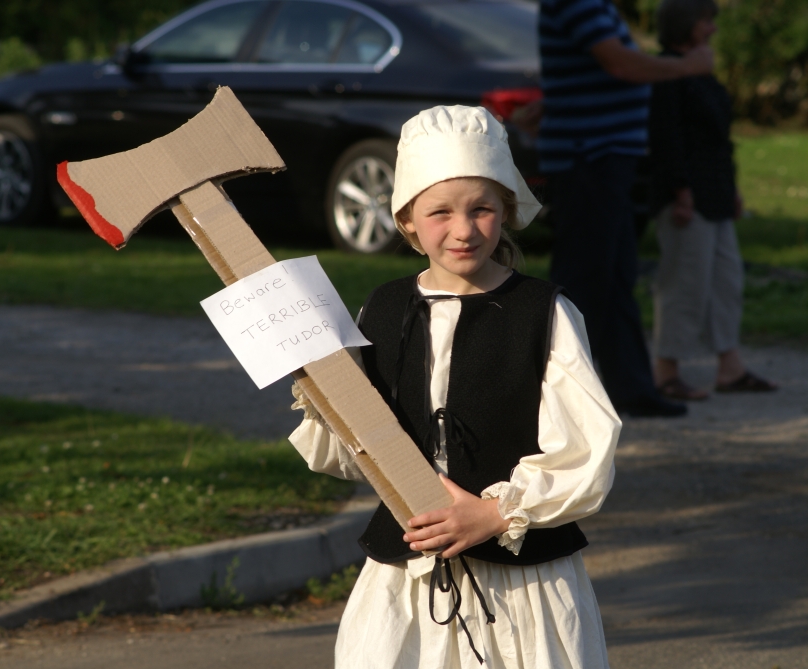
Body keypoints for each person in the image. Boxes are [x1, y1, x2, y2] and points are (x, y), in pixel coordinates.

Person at [290, 106, 620, 668]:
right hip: (407, 581)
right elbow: (356, 451)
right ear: (407, 221)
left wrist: (495, 515)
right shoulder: (383, 308)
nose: (463, 229)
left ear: (506, 210)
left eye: (481, 209)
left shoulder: (544, 313)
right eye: (440, 211)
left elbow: (587, 449)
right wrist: (324, 392)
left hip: (523, 587)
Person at [538, 0, 714, 418]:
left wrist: (552, 102)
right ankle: (549, 396)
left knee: (615, 276)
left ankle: (631, 388)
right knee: (582, 280)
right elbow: (618, 63)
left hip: (602, 158)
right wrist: (686, 66)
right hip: (589, 159)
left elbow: (585, 71)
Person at [648, 0, 776, 400]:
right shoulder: (667, 73)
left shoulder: (700, 73)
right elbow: (666, 137)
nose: (713, 29)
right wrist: (680, 191)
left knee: (726, 281)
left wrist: (731, 189)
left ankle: (730, 367)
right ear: (687, 24)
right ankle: (666, 371)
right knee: (683, 284)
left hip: (716, 193)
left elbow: (717, 139)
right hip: (687, 198)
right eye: (706, 21)